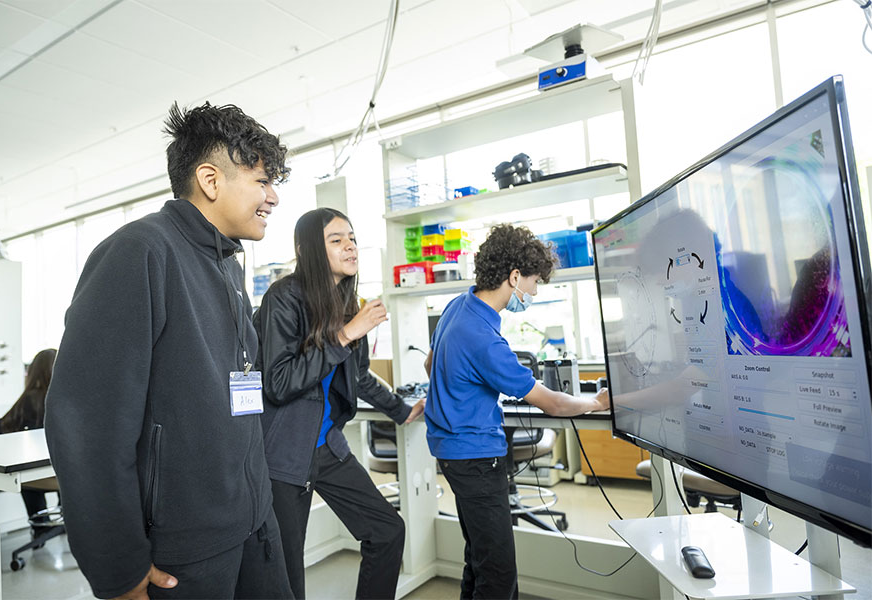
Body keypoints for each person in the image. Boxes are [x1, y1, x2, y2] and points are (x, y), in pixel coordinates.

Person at [44, 102, 293, 600]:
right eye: (262, 181)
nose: (273, 197)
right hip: (185, 550)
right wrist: (119, 569)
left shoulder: (227, 265)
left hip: (253, 522)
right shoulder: (141, 252)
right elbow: (86, 425)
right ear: (210, 179)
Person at [423, 224, 610, 599]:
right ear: (514, 277)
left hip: (452, 452)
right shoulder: (484, 338)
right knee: (498, 571)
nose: (535, 292)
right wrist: (597, 402)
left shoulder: (458, 306)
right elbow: (554, 403)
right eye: (535, 282)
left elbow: (430, 365)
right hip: (477, 458)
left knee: (479, 556)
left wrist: (461, 392)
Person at [252, 207, 425, 600]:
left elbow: (359, 376)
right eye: (336, 239)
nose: (350, 246)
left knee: (386, 531)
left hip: (327, 447)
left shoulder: (348, 303)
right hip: (284, 454)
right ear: (309, 249)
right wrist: (347, 334)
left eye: (352, 238)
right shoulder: (283, 297)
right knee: (287, 570)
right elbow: (278, 383)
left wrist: (401, 409)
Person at [0, 348, 57, 519]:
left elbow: (4, 425)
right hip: (67, 473)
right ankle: (66, 520)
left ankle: (40, 525)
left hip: (40, 473)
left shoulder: (30, 399)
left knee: (25, 476)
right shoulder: (68, 400)